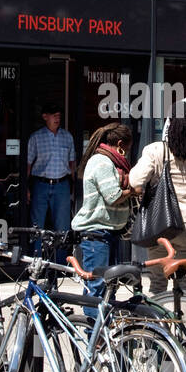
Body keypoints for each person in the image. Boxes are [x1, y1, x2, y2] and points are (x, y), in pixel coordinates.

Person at [129, 111, 186, 315]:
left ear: (169, 124)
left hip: (160, 225)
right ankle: (185, 342)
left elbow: (135, 181)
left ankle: (156, 336)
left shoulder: (155, 151)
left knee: (157, 284)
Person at [71, 123, 135, 301]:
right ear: (121, 144)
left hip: (108, 232)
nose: (128, 152)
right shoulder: (102, 162)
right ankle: (92, 327)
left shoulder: (109, 161)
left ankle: (104, 325)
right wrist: (134, 191)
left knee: (109, 285)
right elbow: (113, 196)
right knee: (98, 286)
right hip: (97, 234)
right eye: (128, 148)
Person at [26, 103, 76, 244]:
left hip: (62, 185)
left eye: (59, 116)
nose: (57, 118)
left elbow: (72, 164)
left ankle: (60, 263)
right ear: (45, 117)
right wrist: (26, 188)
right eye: (54, 115)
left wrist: (73, 187)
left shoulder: (67, 137)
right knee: (37, 225)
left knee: (62, 227)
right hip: (40, 184)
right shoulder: (36, 137)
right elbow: (28, 164)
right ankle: (36, 259)